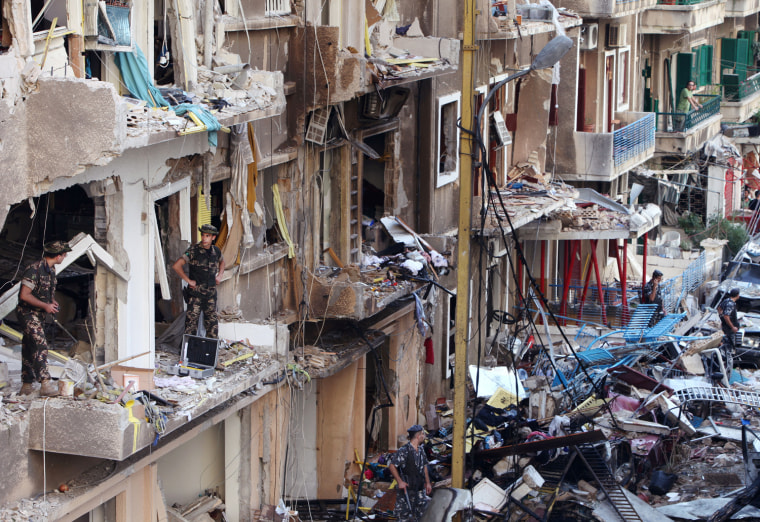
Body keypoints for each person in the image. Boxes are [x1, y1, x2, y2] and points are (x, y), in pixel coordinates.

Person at [17, 240, 72, 396]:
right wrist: (45, 306)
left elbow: (47, 292)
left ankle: (27, 384)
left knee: (29, 346)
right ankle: (45, 383)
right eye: (64, 254)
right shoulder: (33, 269)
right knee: (40, 344)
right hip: (27, 313)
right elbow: (24, 295)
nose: (65, 256)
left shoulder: (51, 270)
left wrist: (51, 303)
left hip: (38, 314)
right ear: (58, 255)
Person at [173, 224, 225, 339]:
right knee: (191, 326)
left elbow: (222, 262)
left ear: (213, 238)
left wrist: (220, 275)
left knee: (212, 326)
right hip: (196, 295)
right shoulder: (193, 250)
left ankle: (210, 353)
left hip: (210, 295)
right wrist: (188, 281)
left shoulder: (216, 251)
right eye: (203, 235)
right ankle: (188, 353)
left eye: (207, 236)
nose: (204, 238)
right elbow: (177, 266)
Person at [389, 425, 432, 521]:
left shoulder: (421, 450)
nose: (424, 436)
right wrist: (400, 482)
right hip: (406, 491)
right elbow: (392, 466)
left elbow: (424, 466)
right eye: (423, 434)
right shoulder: (404, 451)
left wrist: (427, 482)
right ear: (418, 436)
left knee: (421, 517)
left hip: (420, 490)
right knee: (403, 517)